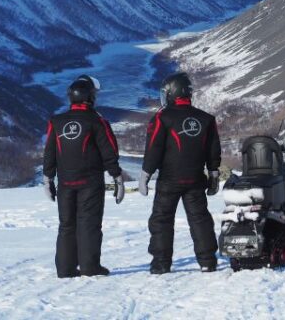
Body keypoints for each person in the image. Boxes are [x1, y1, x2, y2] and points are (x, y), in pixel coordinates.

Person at [139, 72, 221, 274]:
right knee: (200, 219)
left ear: (171, 92)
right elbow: (213, 150)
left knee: (161, 220)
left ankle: (161, 264)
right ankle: (208, 261)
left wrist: (146, 174)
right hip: (195, 179)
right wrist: (214, 174)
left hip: (169, 180)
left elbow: (154, 148)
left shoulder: (162, 117)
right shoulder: (206, 119)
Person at [43, 75, 125, 278]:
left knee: (66, 225)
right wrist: (117, 177)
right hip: (90, 182)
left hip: (65, 183)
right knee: (89, 224)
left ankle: (65, 269)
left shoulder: (56, 121)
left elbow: (49, 152)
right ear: (90, 98)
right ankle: (90, 267)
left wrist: (48, 179)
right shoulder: (97, 121)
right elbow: (110, 152)